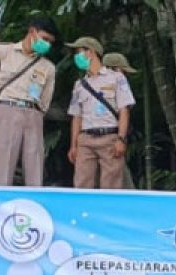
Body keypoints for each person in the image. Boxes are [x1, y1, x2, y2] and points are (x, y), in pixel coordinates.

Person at [0, 15, 59, 187]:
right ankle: (1, 205)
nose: (47, 44)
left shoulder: (48, 67)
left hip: (34, 113)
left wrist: (37, 113)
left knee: (34, 163)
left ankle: (34, 206)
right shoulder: (2, 52)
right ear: (32, 32)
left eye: (50, 42)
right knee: (3, 164)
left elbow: (46, 99)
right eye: (44, 39)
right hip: (7, 108)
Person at [65, 37, 134, 190]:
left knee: (111, 185)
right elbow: (76, 116)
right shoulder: (79, 85)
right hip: (85, 139)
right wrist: (73, 145)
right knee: (82, 183)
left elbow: (124, 110)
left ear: (90, 52)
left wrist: (121, 139)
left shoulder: (116, 78)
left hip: (109, 137)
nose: (77, 57)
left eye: (79, 52)